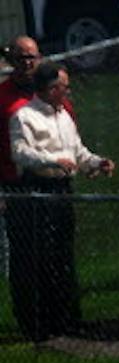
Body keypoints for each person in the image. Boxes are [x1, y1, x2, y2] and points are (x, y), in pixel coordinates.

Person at [7, 61, 112, 341]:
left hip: (62, 188)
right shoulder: (24, 116)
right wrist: (53, 160)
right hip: (38, 188)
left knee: (63, 254)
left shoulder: (64, 115)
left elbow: (77, 151)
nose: (67, 91)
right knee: (40, 255)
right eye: (63, 86)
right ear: (50, 88)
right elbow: (20, 153)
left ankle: (68, 319)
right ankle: (41, 324)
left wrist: (96, 163)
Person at [2, 35, 54, 336]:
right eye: (21, 58)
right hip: (16, 184)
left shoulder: (48, 93)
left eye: (32, 57)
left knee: (52, 253)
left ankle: (56, 318)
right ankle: (30, 323)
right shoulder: (4, 97)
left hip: (50, 182)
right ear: (12, 61)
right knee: (25, 256)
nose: (27, 64)